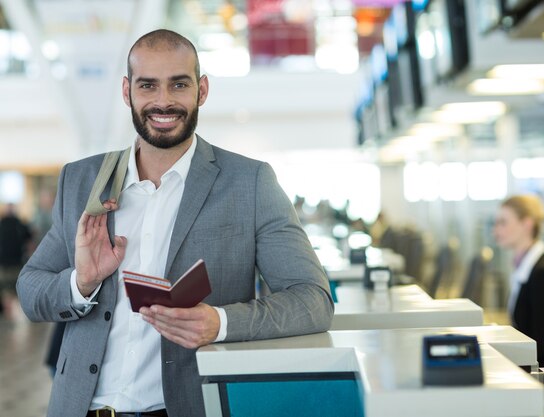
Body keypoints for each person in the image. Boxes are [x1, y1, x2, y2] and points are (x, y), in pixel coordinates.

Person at [17, 29, 333, 417]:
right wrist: (81, 282)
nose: (163, 101)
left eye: (178, 84)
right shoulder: (82, 180)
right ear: (126, 91)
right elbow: (31, 291)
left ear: (201, 90)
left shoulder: (249, 183)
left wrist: (219, 323)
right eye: (148, 85)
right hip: (81, 408)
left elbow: (313, 300)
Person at [493, 194, 544, 384]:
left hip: (541, 381)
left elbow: (542, 348)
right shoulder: (527, 269)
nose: (496, 230)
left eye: (503, 222)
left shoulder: (543, 276)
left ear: (526, 224)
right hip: (529, 373)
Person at [0, 203, 32, 318]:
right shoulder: (19, 224)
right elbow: (29, 241)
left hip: (6, 263)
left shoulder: (3, 224)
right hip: (16, 262)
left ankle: (8, 313)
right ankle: (11, 313)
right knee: (14, 289)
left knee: (6, 289)